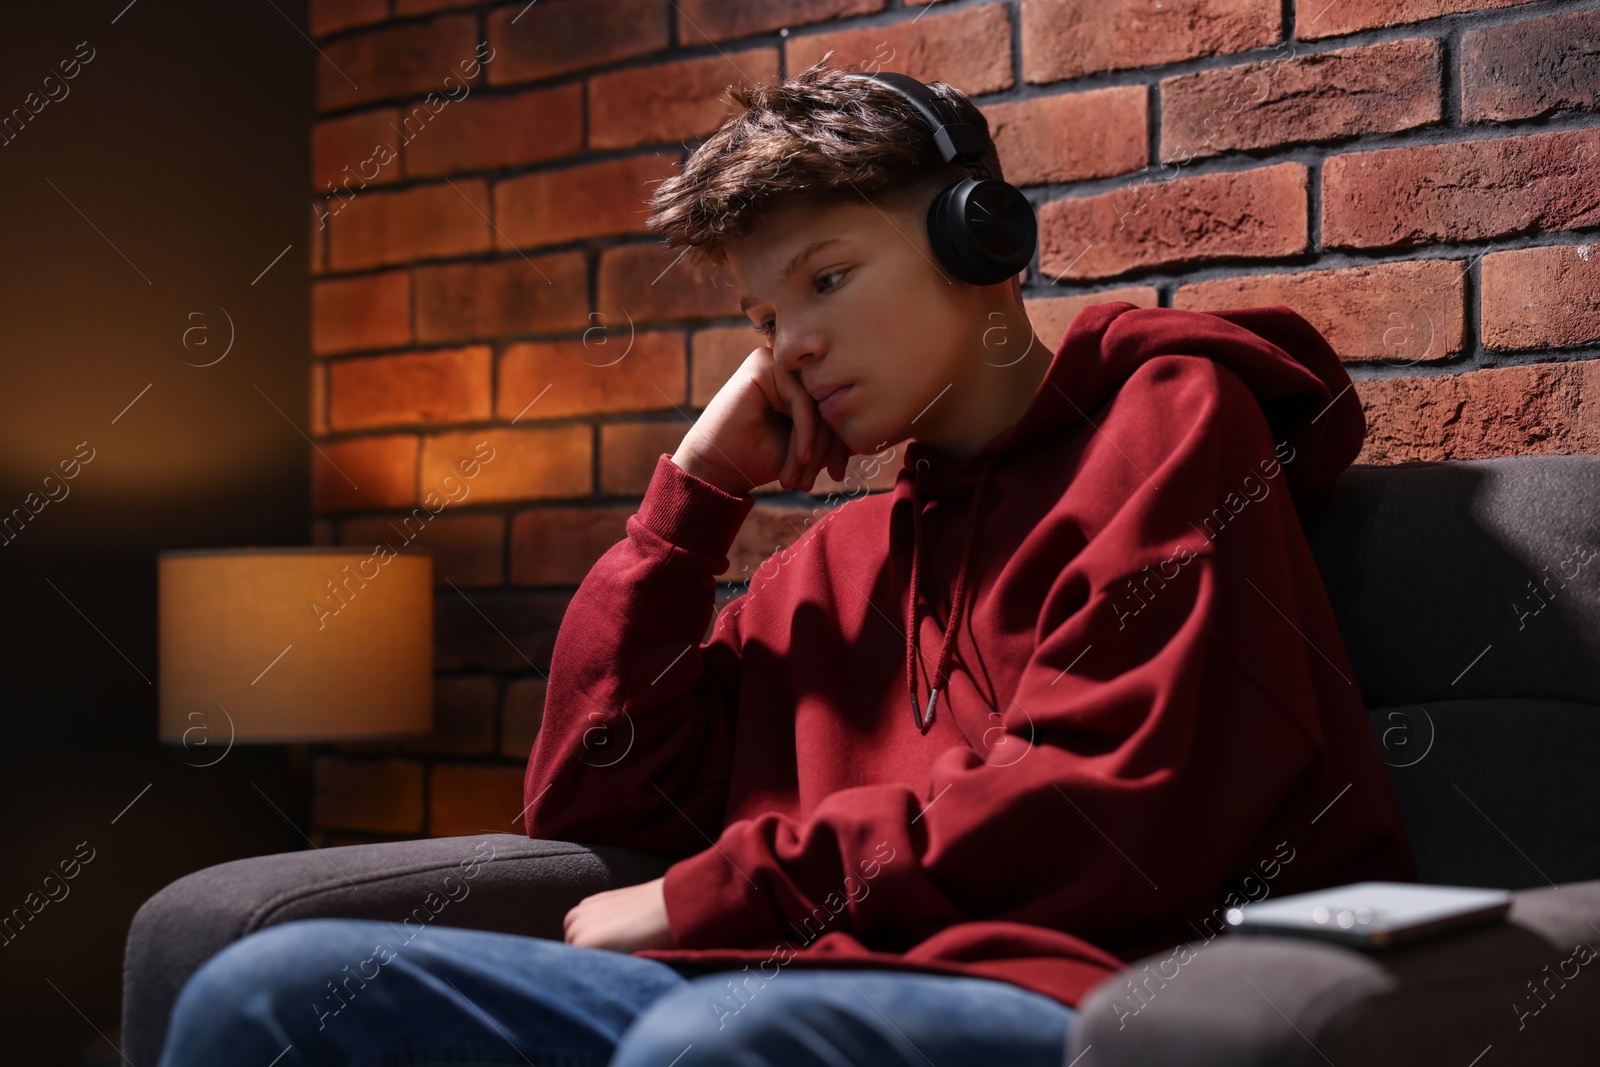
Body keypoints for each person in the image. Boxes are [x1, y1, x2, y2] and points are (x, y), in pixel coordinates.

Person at [156, 55, 1414, 1067]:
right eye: (762, 318)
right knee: (273, 983)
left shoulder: (1172, 419)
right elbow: (598, 802)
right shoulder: (832, 562)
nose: (791, 347)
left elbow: (1112, 794)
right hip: (770, 990)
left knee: (721, 1032)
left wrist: (722, 894)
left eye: (827, 278)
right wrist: (692, 502)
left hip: (1079, 986)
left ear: (982, 244)